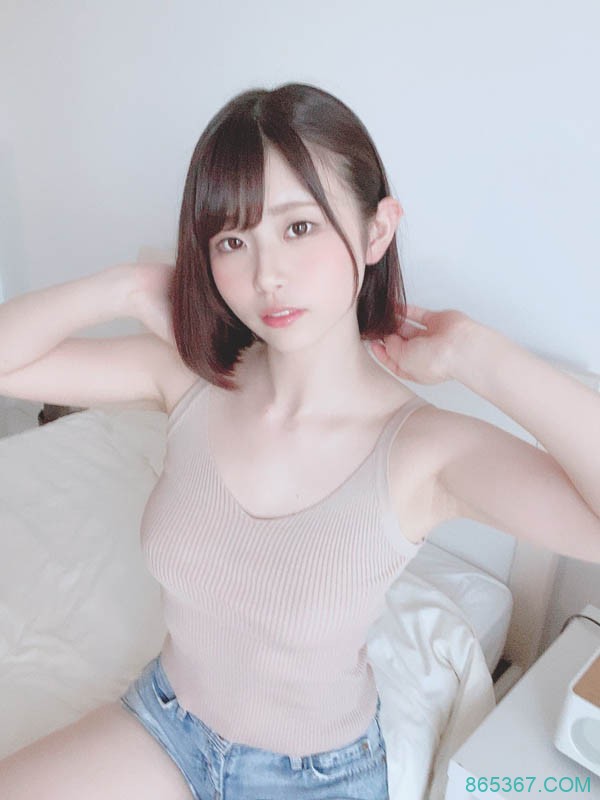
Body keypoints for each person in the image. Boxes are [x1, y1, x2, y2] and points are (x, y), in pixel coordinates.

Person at [0, 82, 598, 800]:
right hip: (166, 723)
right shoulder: (191, 378)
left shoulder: (422, 451)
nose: (266, 276)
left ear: (377, 231)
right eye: (232, 241)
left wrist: (482, 357)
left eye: (299, 227)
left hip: (310, 777)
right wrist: (125, 288)